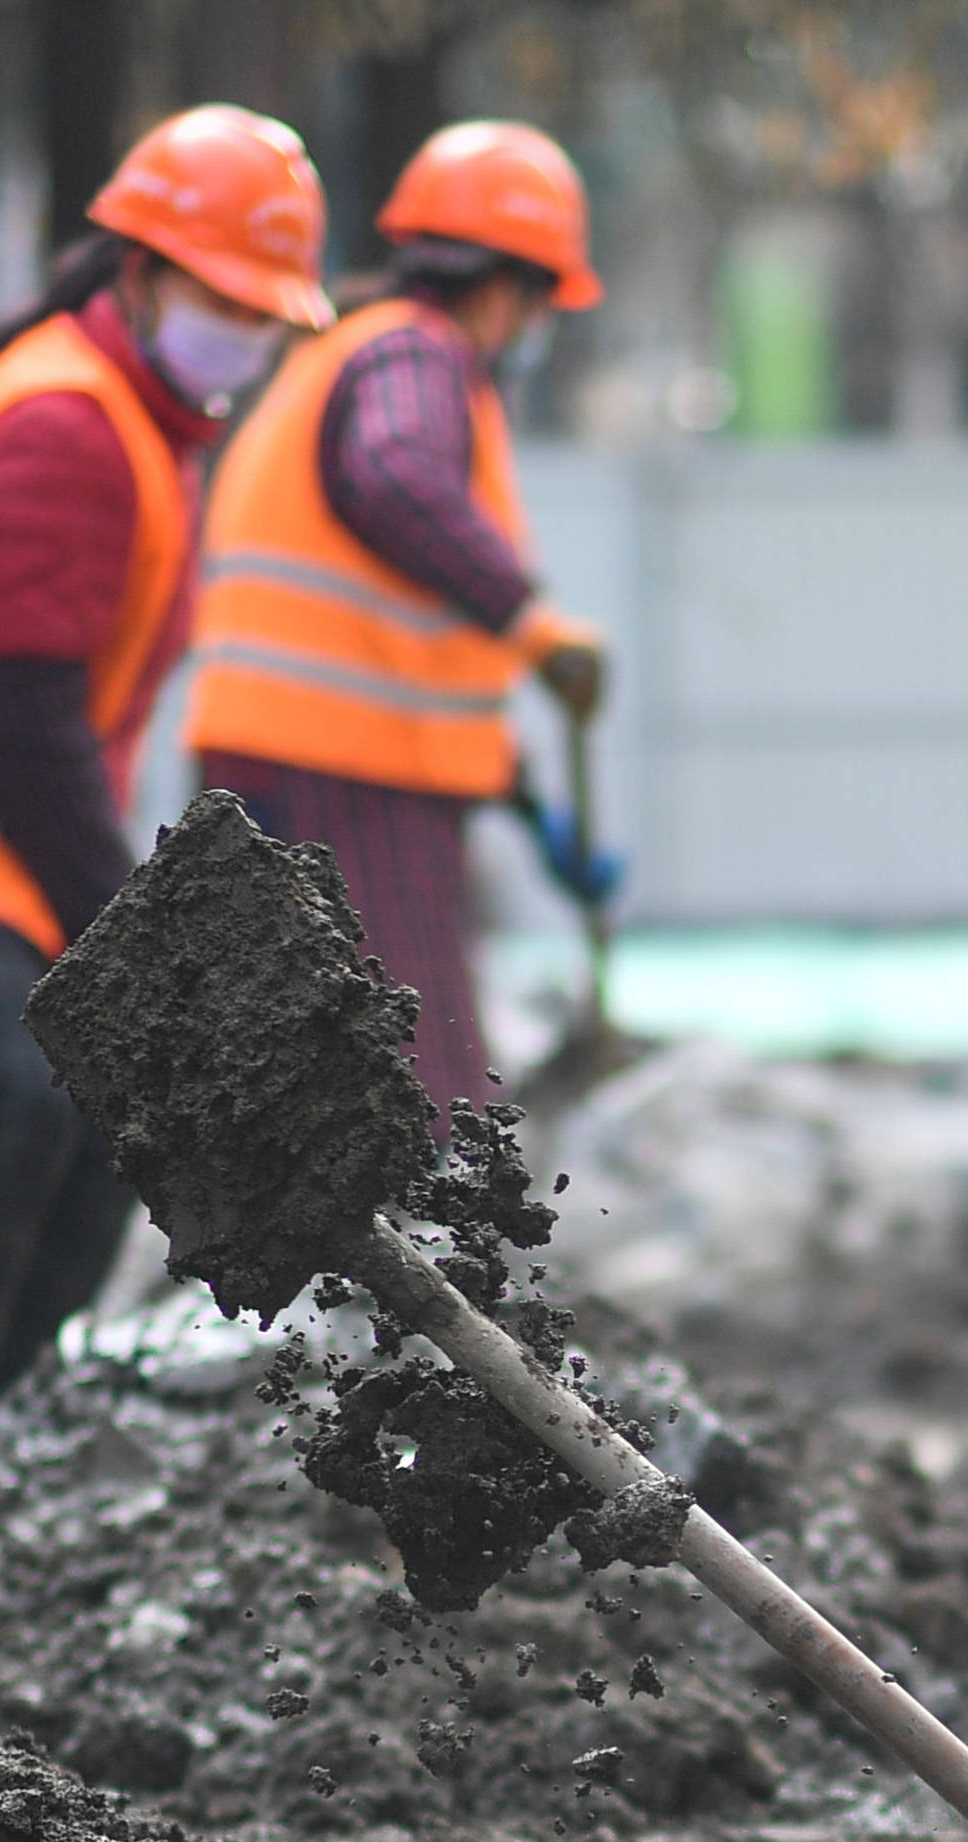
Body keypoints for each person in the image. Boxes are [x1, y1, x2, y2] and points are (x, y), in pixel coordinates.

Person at [0, 106, 333, 1443]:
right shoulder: (66, 427)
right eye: (220, 298)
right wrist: (125, 931)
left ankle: (18, 1428)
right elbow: (32, 726)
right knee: (22, 1105)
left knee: (106, 1119)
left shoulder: (127, 419)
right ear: (139, 272)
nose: (243, 334)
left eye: (261, 311)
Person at [185, 121, 621, 1118]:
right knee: (408, 1082)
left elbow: (394, 634)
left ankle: (357, 1272)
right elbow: (393, 479)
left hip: (302, 760)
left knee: (316, 1072)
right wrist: (536, 626)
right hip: (343, 777)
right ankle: (415, 1274)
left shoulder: (359, 351)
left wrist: (521, 799)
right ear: (515, 285)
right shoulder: (419, 360)